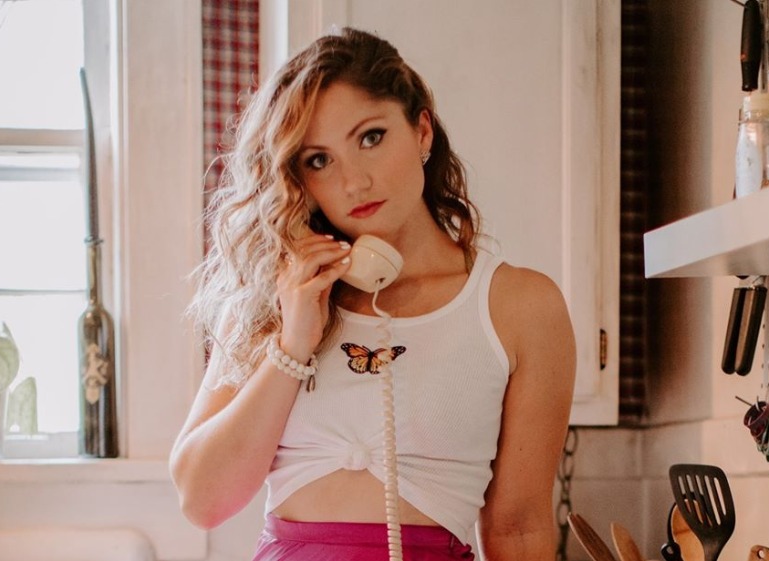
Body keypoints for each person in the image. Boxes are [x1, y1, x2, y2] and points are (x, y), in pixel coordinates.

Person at [169, 27, 576, 561]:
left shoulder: (521, 306)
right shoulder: (276, 299)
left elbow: (519, 529)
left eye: (370, 138)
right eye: (319, 160)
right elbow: (202, 500)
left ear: (422, 131)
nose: (354, 182)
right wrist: (293, 344)